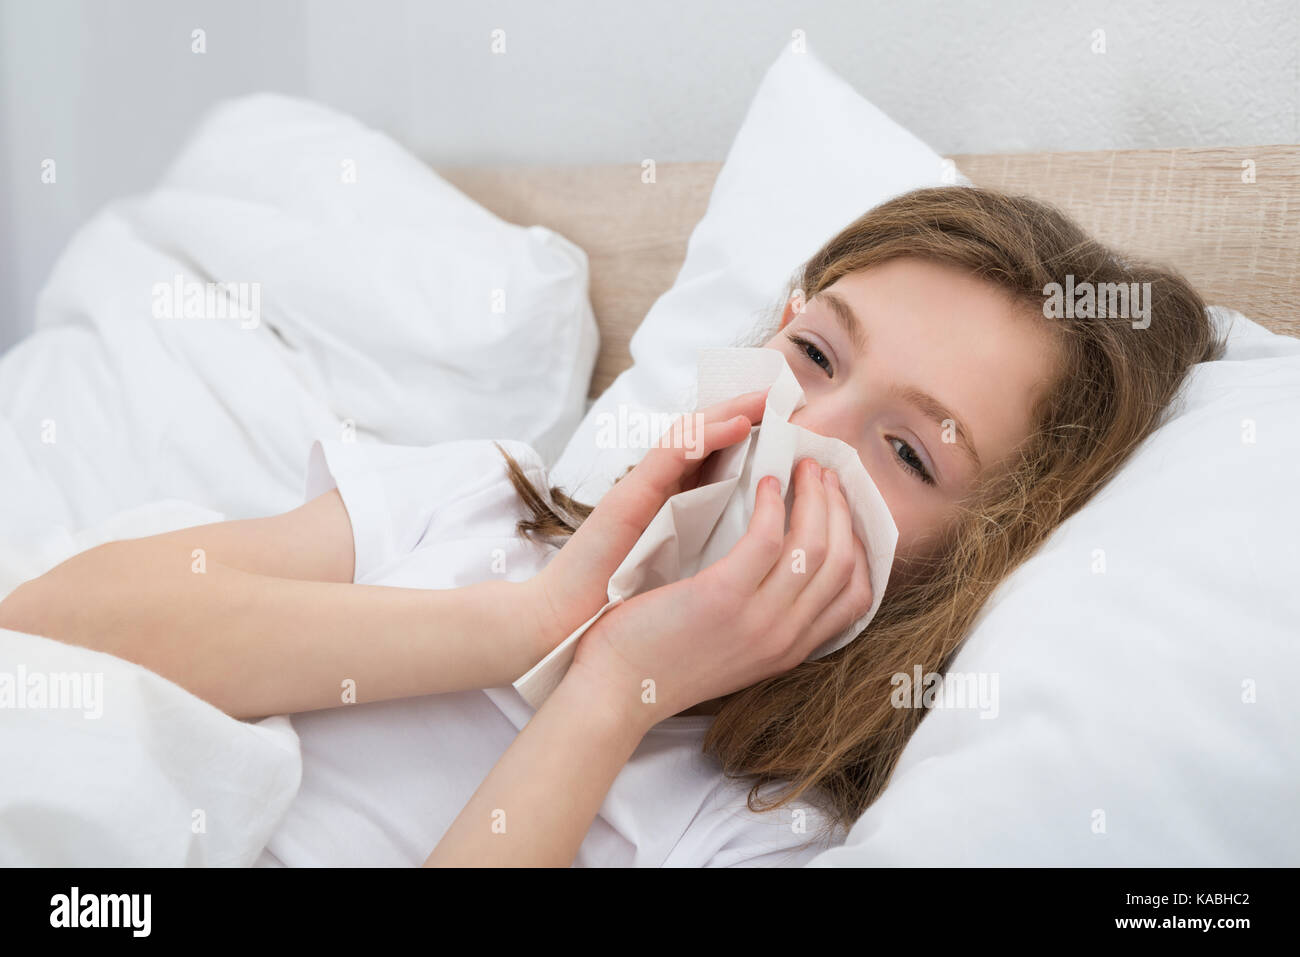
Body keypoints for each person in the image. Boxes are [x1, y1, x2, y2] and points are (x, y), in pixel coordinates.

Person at [0, 186, 1224, 866]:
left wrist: (617, 691)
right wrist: (532, 619)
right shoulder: (481, 498)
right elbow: (48, 629)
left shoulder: (755, 831)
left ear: (974, 560)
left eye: (904, 451)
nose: (794, 424)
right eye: (808, 354)